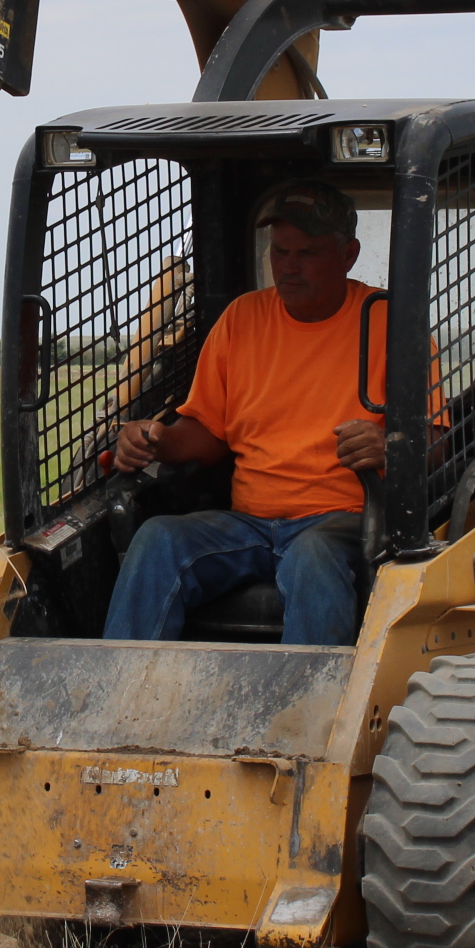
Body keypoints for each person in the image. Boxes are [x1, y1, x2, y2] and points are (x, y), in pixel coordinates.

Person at [102, 180, 388, 647]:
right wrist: (155, 437)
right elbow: (207, 434)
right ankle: (118, 696)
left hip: (342, 520)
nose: (288, 268)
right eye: (280, 252)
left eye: (307, 253)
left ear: (349, 254)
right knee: (157, 539)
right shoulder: (243, 318)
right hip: (250, 523)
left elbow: (432, 447)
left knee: (312, 556)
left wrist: (386, 446)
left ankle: (309, 710)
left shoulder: (387, 322)